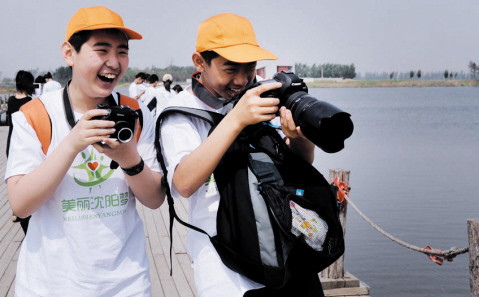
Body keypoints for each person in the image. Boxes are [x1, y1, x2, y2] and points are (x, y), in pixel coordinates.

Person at [5, 6, 165, 296]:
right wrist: (71, 143)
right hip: (50, 284)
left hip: (127, 284)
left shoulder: (136, 112)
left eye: (122, 52)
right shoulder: (33, 115)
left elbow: (154, 199)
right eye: (102, 50)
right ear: (69, 53)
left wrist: (129, 159)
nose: (114, 63)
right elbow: (20, 204)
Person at [159, 13, 320, 297]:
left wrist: (300, 138)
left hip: (282, 248)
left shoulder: (256, 98)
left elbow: (302, 163)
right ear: (199, 62)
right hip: (225, 264)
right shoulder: (181, 113)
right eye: (230, 69)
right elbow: (183, 184)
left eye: (250, 68)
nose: (242, 79)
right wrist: (236, 120)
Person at [7, 70, 35, 235]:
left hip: (11, 144)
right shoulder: (31, 102)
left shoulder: (10, 101)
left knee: (15, 179)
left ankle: (16, 209)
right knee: (27, 181)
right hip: (25, 145)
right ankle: (24, 211)